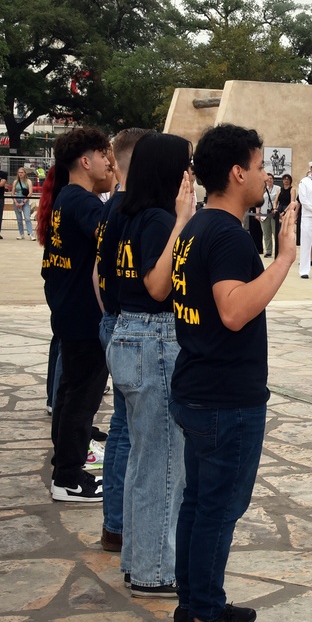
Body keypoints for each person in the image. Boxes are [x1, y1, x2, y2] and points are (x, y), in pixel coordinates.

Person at [168, 123, 298, 622]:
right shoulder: (223, 233)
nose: (268, 175)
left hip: (201, 388)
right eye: (262, 165)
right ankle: (201, 618)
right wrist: (285, 257)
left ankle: (200, 601)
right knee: (217, 509)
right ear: (238, 172)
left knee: (200, 505)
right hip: (223, 398)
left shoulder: (199, 227)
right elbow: (234, 309)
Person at [103, 134, 195, 597]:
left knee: (143, 459)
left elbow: (104, 281)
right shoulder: (159, 219)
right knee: (162, 465)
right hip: (156, 337)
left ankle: (137, 559)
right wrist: (182, 221)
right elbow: (159, 286)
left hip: (125, 332)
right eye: (186, 165)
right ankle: (155, 570)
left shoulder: (122, 213)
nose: (190, 174)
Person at [38, 127, 112, 502]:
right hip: (84, 317)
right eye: (103, 155)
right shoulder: (83, 202)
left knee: (69, 395)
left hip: (69, 312)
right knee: (80, 399)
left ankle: (66, 466)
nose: (108, 162)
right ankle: (68, 477)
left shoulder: (66, 199)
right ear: (86, 161)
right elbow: (114, 242)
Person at [94, 127, 150, 553]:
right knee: (128, 433)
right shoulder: (128, 211)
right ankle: (119, 522)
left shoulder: (114, 207)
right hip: (125, 322)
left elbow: (98, 276)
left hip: (114, 320)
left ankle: (115, 522)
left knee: (120, 429)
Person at [273, 173, 296, 257]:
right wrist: (275, 208)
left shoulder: (292, 189)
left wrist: (284, 212)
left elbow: (292, 202)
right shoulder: (280, 189)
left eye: (287, 179)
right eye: (284, 179)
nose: (286, 181)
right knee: (278, 231)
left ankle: (286, 250)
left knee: (286, 231)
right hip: (279, 209)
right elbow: (276, 201)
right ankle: (279, 250)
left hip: (287, 209)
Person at [259, 173, 280, 257]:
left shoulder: (278, 188)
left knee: (276, 233)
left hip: (274, 213)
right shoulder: (262, 189)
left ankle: (278, 251)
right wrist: (258, 212)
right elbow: (259, 201)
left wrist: (276, 209)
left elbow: (279, 200)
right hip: (264, 213)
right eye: (268, 179)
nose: (269, 180)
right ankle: (268, 251)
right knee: (266, 233)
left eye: (271, 178)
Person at [12, 167, 34, 240]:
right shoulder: (15, 181)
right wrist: (15, 201)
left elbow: (30, 193)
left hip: (25, 199)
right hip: (17, 199)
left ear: (25, 173)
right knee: (19, 219)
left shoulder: (28, 181)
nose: (20, 174)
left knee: (27, 218)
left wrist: (24, 201)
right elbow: (12, 193)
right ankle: (21, 233)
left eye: (22, 172)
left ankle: (30, 233)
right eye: (19, 172)